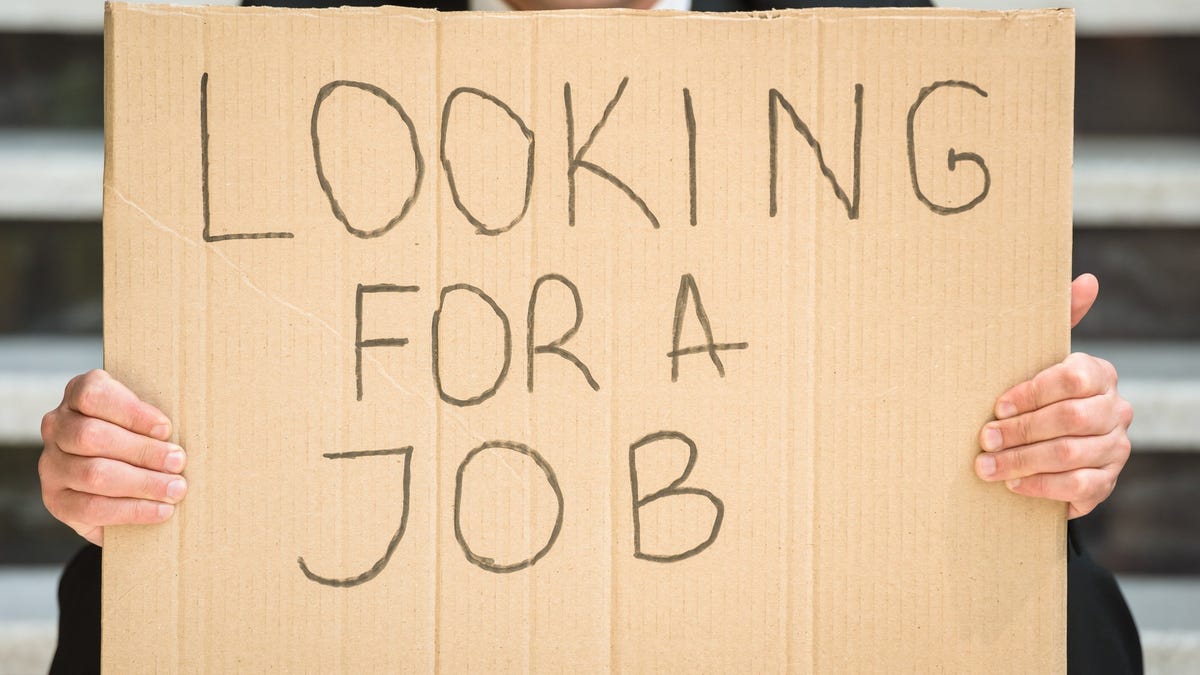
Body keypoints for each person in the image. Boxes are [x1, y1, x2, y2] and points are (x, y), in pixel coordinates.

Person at [39, 0, 1140, 673]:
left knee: (1067, 611)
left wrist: (1056, 442)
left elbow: (969, 431)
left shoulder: (871, 38)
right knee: (108, 610)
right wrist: (116, 471)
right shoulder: (293, 43)